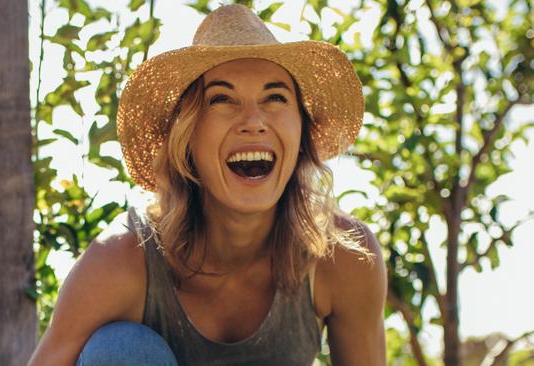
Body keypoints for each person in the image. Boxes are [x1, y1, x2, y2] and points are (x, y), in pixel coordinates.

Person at [29, 4, 386, 366]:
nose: (253, 121)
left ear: (302, 132)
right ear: (188, 138)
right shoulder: (122, 262)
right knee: (120, 349)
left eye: (275, 97)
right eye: (222, 99)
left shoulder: (342, 257)